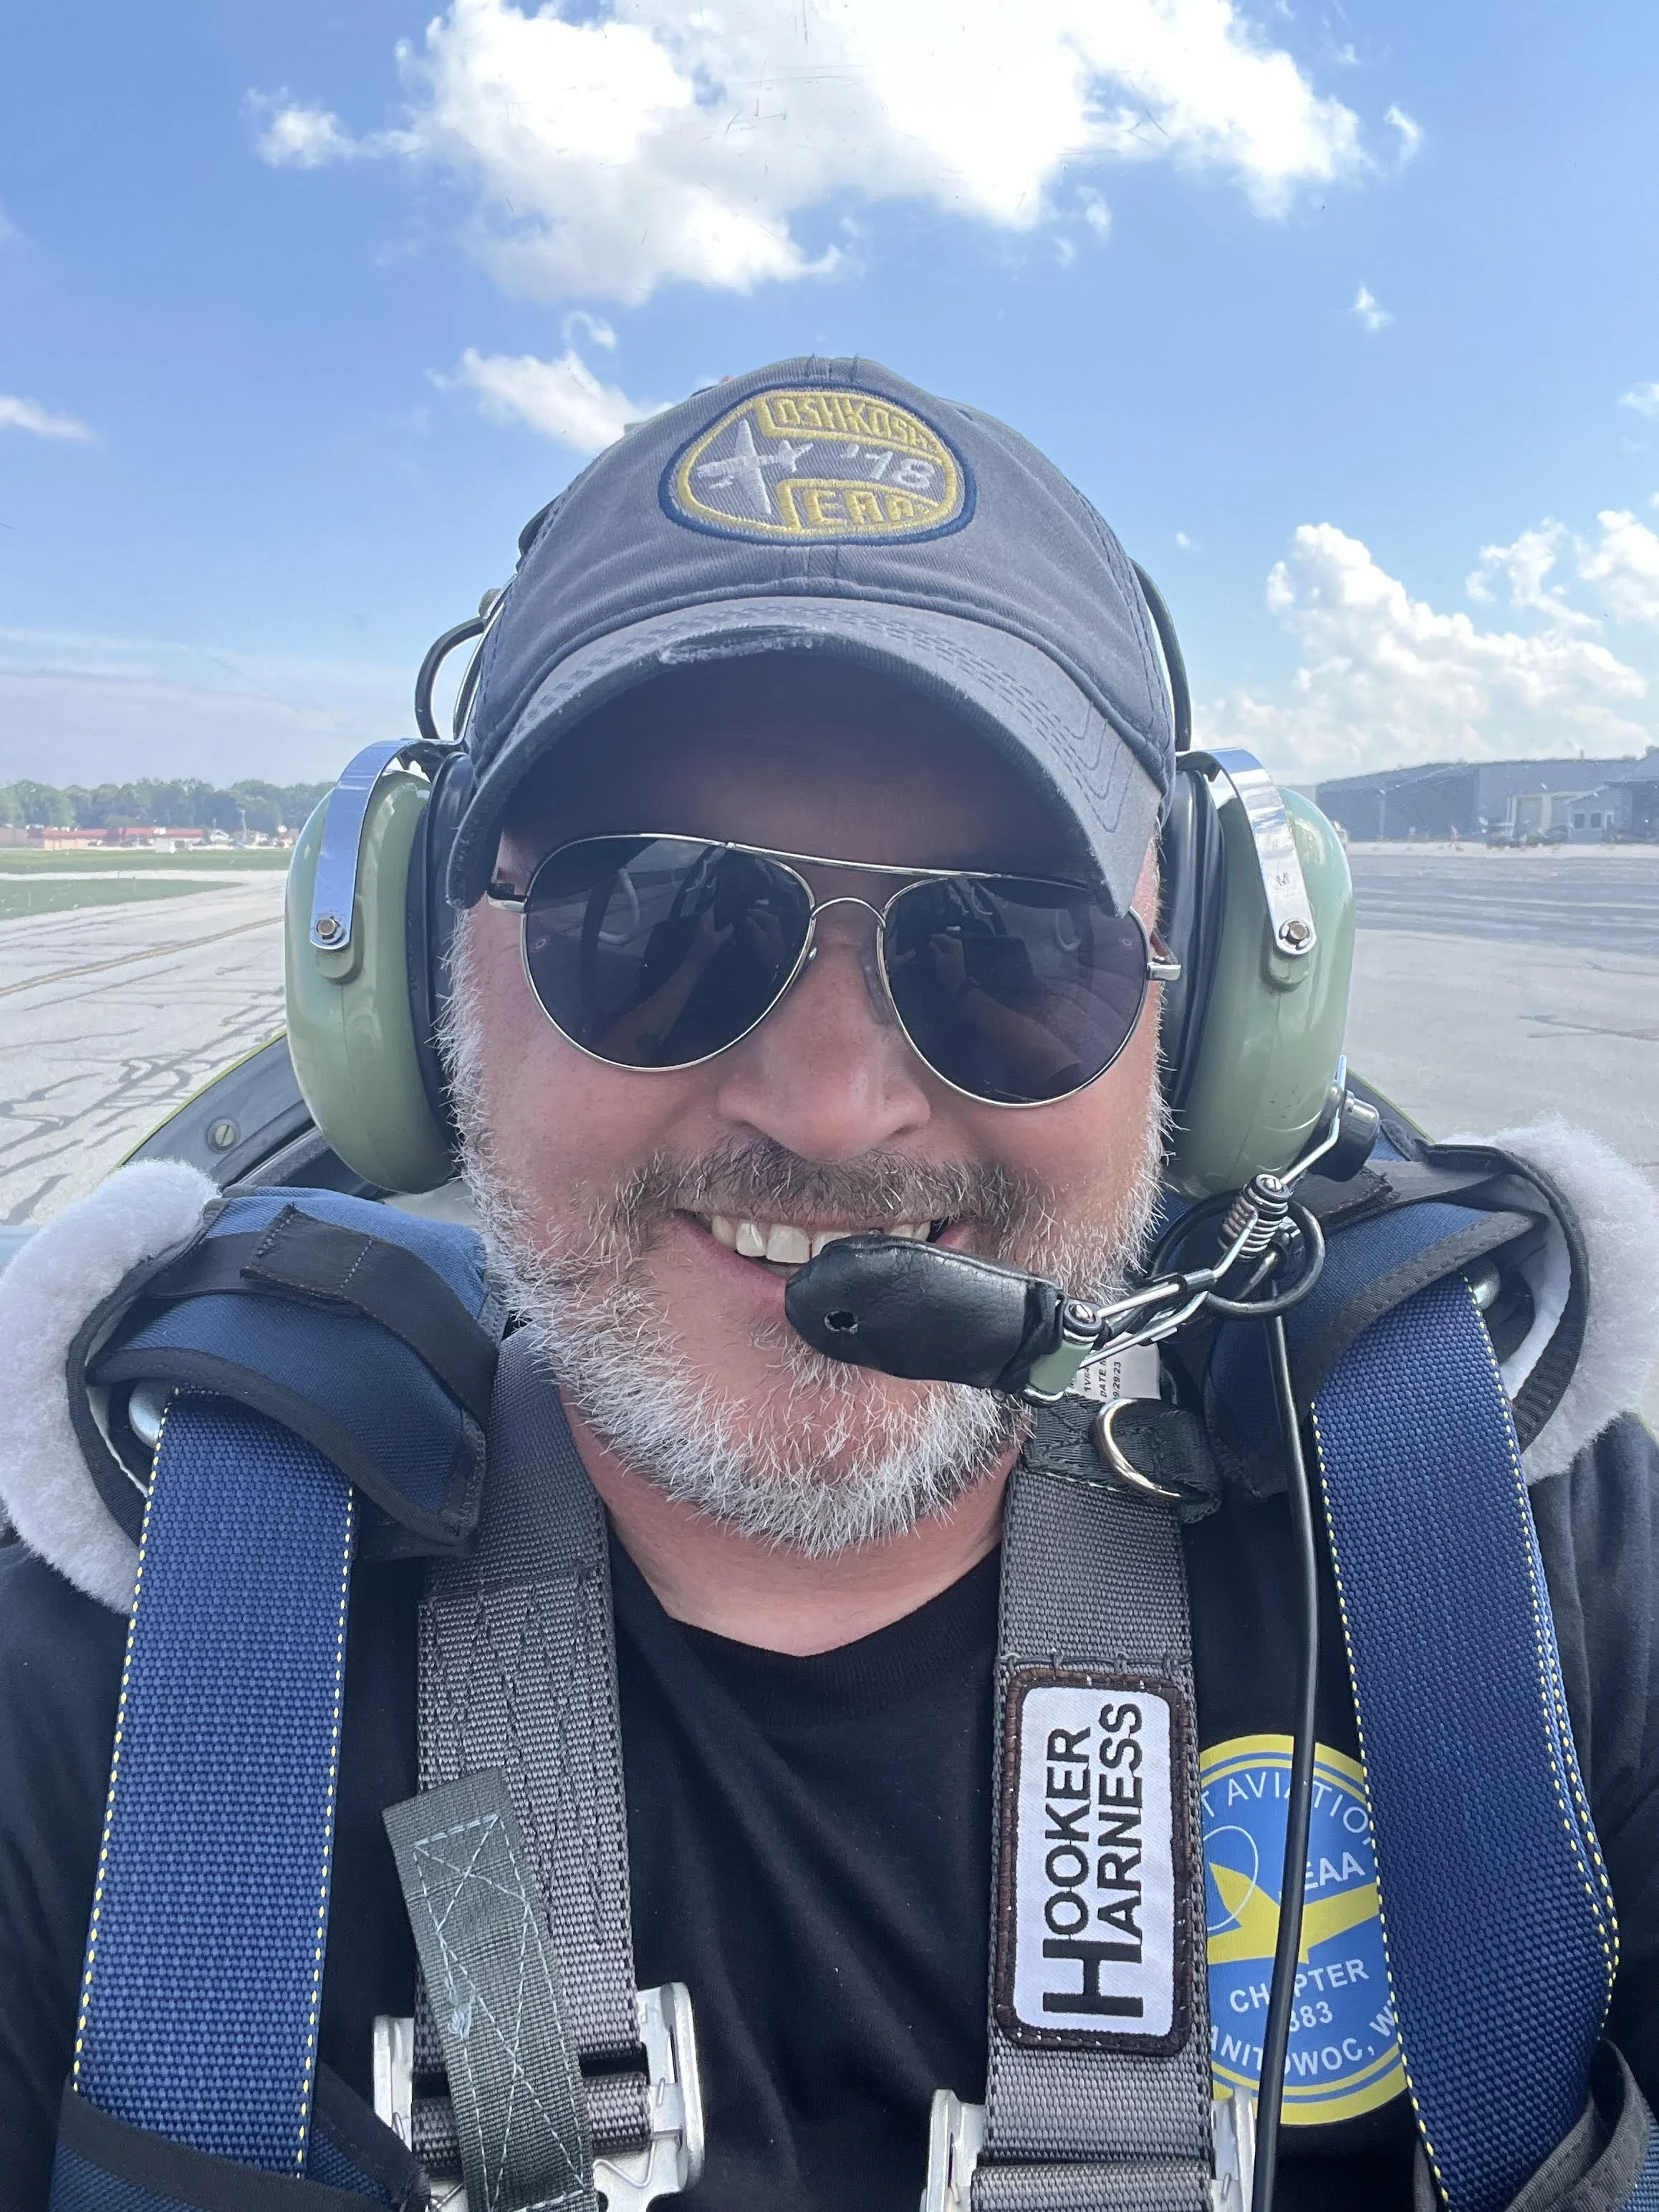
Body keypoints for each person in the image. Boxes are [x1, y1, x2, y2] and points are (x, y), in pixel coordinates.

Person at [2, 356, 1659, 2212]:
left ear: (1203, 1001)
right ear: (411, 978)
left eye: (1014, 945)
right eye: (651, 920)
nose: (832, 1104)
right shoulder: (142, 1656)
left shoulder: (1493, 1568)